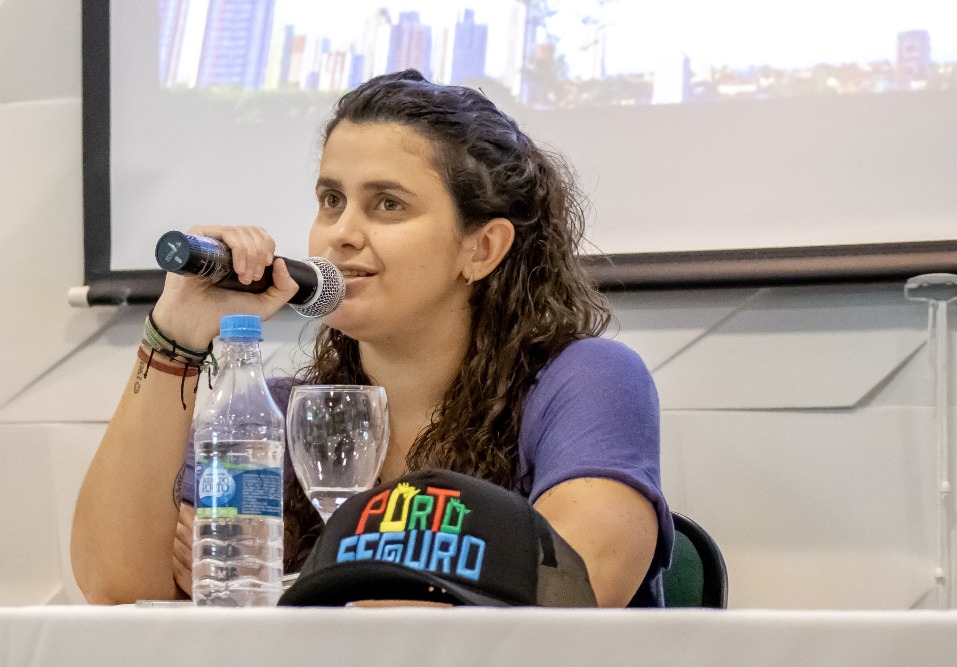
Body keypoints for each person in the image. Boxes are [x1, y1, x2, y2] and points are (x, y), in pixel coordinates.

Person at [72, 70, 671, 607]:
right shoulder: (273, 414)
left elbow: (569, 585)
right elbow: (117, 586)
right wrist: (177, 332)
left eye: (387, 205)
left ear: (481, 248)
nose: (341, 233)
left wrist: (298, 594)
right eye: (331, 200)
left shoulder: (586, 380)